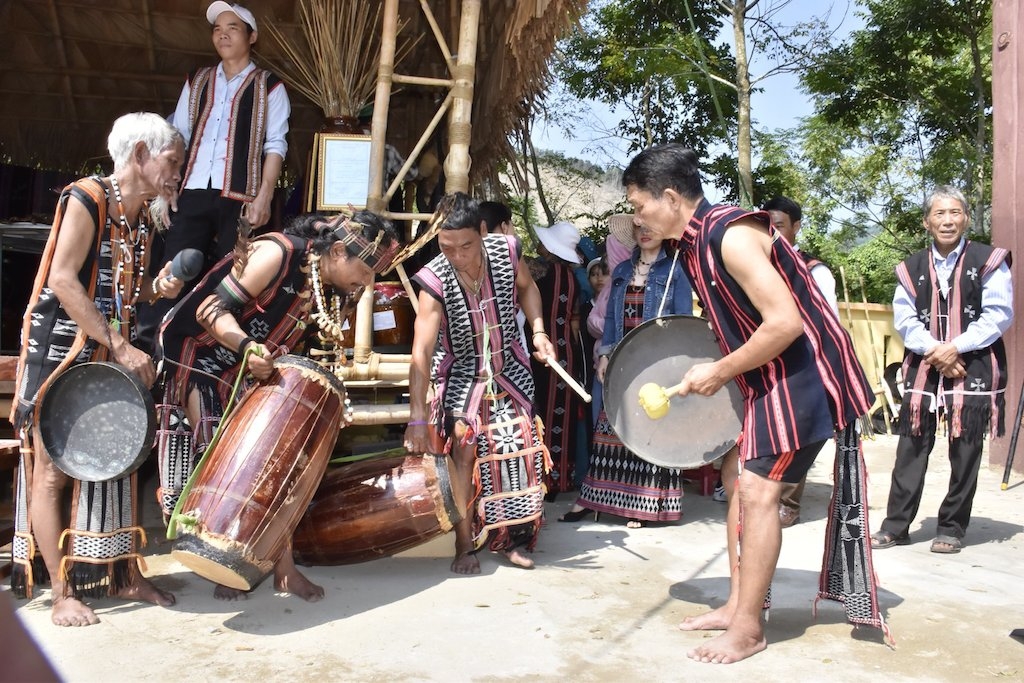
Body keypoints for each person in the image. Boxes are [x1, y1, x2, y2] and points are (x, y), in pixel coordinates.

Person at [621, 144, 880, 663]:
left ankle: (748, 630)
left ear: (670, 198)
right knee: (738, 483)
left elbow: (785, 323)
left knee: (759, 492)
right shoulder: (692, 248)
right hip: (769, 376)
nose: (636, 217)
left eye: (639, 204)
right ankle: (740, 605)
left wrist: (719, 372)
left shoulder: (731, 235)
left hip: (805, 376)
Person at [157, 210, 399, 600]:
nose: (369, 281)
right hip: (200, 359)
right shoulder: (277, 254)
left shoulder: (332, 287)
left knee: (280, 461)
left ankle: (282, 570)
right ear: (338, 251)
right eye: (368, 269)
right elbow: (209, 311)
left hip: (252, 368)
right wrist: (246, 347)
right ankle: (223, 558)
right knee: (230, 462)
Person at [9, 112, 186, 626]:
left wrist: (157, 288)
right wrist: (120, 345)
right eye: (171, 161)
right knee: (51, 472)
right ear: (140, 155)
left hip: (107, 347)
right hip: (60, 347)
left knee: (118, 460)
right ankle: (63, 592)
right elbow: (64, 281)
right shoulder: (86, 197)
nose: (177, 172)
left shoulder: (141, 216)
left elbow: (126, 290)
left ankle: (122, 574)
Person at [404, 192, 556, 575]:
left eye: (466, 246)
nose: (457, 256)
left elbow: (527, 288)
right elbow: (421, 351)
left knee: (520, 448)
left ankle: (516, 538)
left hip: (511, 371)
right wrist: (417, 416)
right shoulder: (434, 278)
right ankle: (464, 544)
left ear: (484, 232)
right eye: (447, 247)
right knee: (465, 454)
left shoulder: (506, 250)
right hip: (461, 377)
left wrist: (538, 331)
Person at [870, 186, 1013, 554]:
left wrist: (954, 348)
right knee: (910, 448)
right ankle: (896, 526)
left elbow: (998, 313)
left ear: (966, 217)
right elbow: (904, 319)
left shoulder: (989, 260)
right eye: (939, 214)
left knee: (965, 449)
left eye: (954, 213)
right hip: (925, 363)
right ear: (926, 222)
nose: (947, 220)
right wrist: (936, 350)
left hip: (974, 362)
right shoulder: (910, 267)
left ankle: (951, 526)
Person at [141, 2, 290, 347]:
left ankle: (216, 351)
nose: (222, 34)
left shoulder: (269, 86)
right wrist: (168, 183)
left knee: (232, 279)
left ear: (252, 37)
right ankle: (155, 350)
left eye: (233, 28)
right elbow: (176, 134)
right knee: (172, 271)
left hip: (239, 199)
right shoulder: (197, 80)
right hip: (191, 191)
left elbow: (275, 145)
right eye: (217, 28)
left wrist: (264, 196)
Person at [561, 217, 693, 527]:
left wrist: (674, 366)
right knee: (612, 430)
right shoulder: (620, 271)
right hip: (622, 359)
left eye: (651, 226)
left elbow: (685, 320)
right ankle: (593, 499)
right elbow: (609, 321)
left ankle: (642, 505)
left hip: (657, 362)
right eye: (639, 228)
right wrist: (605, 355)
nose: (645, 233)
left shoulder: (675, 270)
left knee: (649, 430)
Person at [762, 195, 839, 528]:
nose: (772, 233)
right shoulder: (758, 266)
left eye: (778, 226)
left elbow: (827, 322)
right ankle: (761, 495)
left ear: (796, 227)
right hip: (764, 360)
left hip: (803, 361)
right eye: (767, 226)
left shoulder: (815, 271)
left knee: (798, 433)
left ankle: (788, 501)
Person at [530, 221, 586, 497]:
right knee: (560, 416)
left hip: (544, 349)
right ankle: (561, 477)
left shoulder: (540, 270)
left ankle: (544, 479)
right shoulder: (573, 279)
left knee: (542, 410)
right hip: (567, 351)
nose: (538, 245)